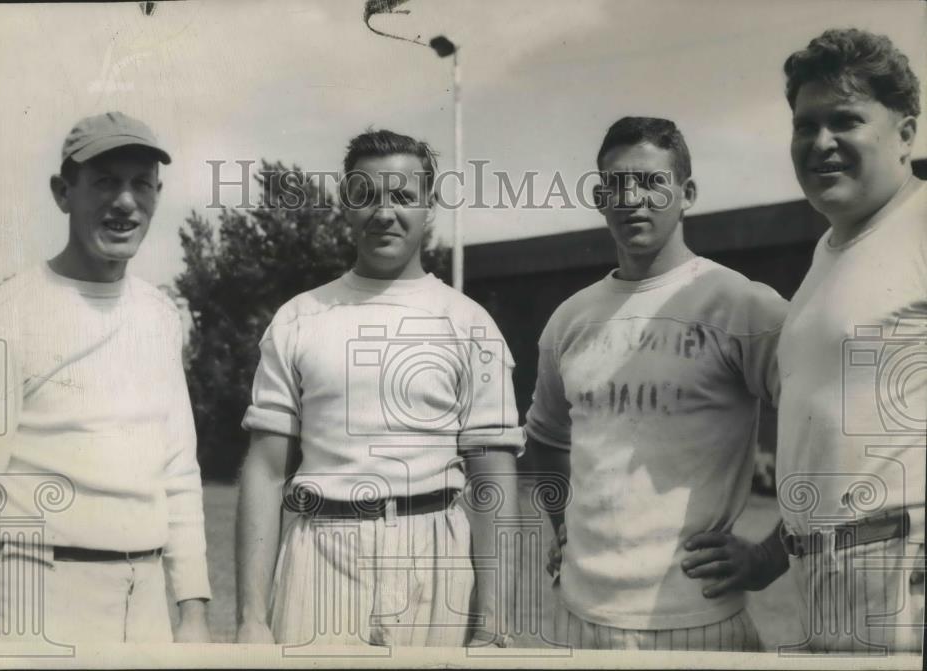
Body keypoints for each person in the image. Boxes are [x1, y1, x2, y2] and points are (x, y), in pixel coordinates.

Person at [0, 112, 211, 645]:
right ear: (63, 192)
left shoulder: (160, 315)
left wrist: (192, 608)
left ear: (157, 193)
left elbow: (178, 468)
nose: (125, 202)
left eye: (140, 184)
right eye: (105, 181)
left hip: (145, 604)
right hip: (38, 596)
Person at [236, 129, 521, 647]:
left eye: (403, 196)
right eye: (366, 195)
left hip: (434, 552)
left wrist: (495, 616)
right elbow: (265, 469)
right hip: (320, 552)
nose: (384, 212)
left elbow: (492, 477)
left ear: (429, 206)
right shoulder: (298, 318)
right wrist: (251, 618)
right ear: (346, 205)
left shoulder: (468, 322)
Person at [528, 116, 789, 651]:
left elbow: (836, 428)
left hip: (696, 620)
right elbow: (547, 439)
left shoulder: (741, 304)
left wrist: (769, 556)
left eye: (651, 181)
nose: (632, 198)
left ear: (687, 193)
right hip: (579, 613)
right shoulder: (570, 319)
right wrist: (564, 526)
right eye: (617, 184)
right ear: (600, 197)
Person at [774, 28, 925, 654]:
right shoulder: (829, 250)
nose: (821, 143)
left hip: (903, 579)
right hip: (826, 578)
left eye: (846, 121)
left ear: (907, 133)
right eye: (805, 125)